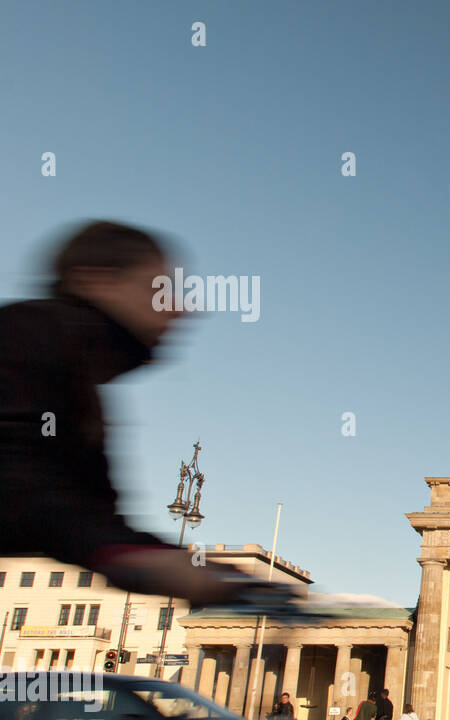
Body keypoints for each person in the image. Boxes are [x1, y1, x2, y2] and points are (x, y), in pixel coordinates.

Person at [0, 222, 297, 613]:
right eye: (160, 289)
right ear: (96, 282)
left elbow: (90, 518)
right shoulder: (26, 339)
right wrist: (133, 556)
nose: (182, 307)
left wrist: (194, 573)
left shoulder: (81, 385)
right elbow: (24, 487)